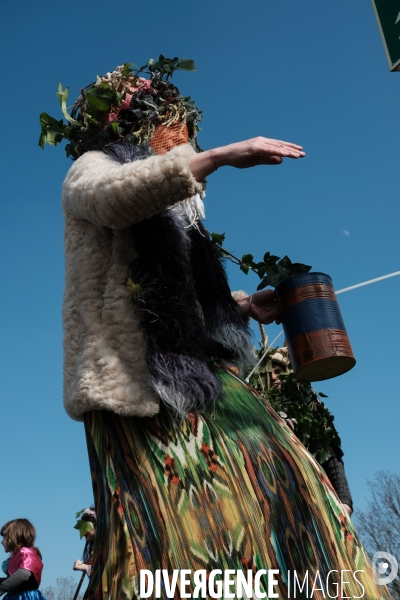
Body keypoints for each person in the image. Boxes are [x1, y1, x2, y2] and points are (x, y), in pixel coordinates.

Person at [41, 59, 389, 599]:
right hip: (136, 386)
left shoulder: (177, 212)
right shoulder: (90, 168)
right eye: (172, 127)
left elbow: (181, 302)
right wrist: (219, 157)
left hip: (204, 375)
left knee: (288, 480)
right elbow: (114, 197)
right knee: (176, 535)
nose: (182, 140)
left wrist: (245, 306)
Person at [268, 346, 354, 516]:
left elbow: (331, 458)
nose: (272, 377)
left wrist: (344, 503)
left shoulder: (311, 416)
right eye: (269, 372)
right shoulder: (262, 412)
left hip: (313, 505)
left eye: (277, 371)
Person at [0, 519, 47, 599]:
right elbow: (13, 580)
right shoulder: (16, 556)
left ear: (13, 537)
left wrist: (1, 588)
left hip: (25, 597)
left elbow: (24, 574)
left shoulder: (26, 553)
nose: (2, 542)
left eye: (4, 538)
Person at [73, 509, 96, 579]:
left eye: (85, 526)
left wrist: (85, 567)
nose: (83, 532)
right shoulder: (94, 550)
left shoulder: (107, 547)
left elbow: (105, 572)